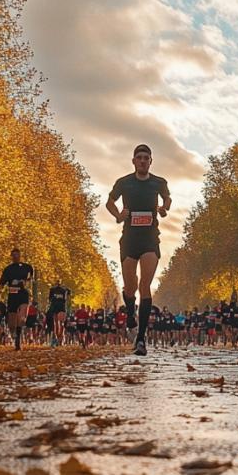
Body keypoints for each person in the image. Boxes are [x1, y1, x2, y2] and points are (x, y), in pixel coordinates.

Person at [105, 144, 172, 356]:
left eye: (146, 158)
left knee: (145, 285)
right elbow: (109, 202)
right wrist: (118, 215)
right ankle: (131, 311)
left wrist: (164, 209)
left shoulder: (158, 182)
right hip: (129, 240)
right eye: (139, 157)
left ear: (151, 161)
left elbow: (167, 198)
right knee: (130, 286)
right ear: (133, 161)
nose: (143, 161)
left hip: (150, 239)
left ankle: (141, 339)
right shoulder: (124, 183)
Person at [0, 248, 35, 350]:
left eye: (17, 255)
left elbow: (31, 279)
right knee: (11, 324)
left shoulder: (27, 267)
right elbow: (2, 283)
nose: (15, 257)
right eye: (13, 255)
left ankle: (18, 338)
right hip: (12, 295)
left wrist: (26, 282)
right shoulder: (8, 269)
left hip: (23, 294)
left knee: (22, 317)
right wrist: (0, 287)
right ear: (11, 256)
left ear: (20, 255)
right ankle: (14, 334)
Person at [48, 281, 70, 347]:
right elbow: (49, 298)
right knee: (56, 324)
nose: (57, 283)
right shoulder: (52, 290)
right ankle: (57, 338)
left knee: (61, 323)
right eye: (56, 282)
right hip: (54, 307)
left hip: (61, 307)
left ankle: (60, 338)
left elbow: (67, 295)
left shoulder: (64, 290)